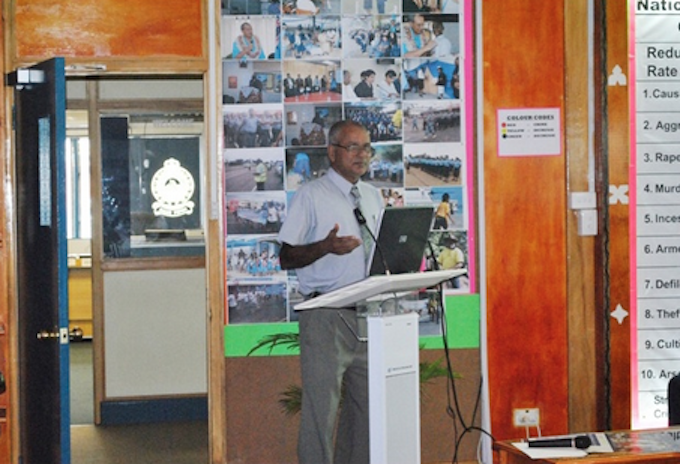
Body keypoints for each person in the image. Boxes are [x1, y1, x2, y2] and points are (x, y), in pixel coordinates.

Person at [278, 120, 382, 464]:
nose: (362, 155)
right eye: (353, 147)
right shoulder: (311, 195)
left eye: (366, 148)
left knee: (366, 413)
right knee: (320, 415)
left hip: (367, 316)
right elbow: (286, 256)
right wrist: (325, 246)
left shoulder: (372, 195)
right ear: (332, 151)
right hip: (325, 318)